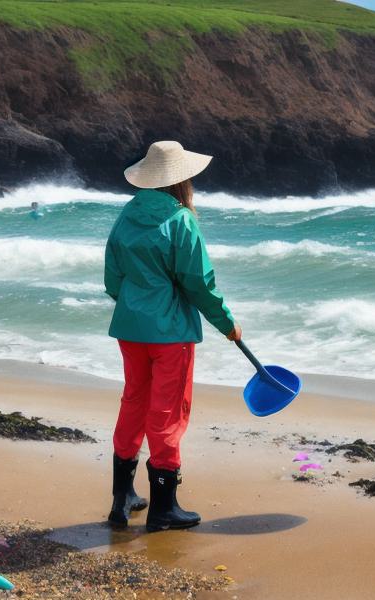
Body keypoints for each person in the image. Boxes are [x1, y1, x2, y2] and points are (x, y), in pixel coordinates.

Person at [103, 140, 241, 531]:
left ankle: (122, 497)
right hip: (170, 335)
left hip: (130, 329)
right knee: (167, 412)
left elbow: (113, 276)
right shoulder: (181, 221)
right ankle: (164, 507)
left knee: (134, 402)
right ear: (181, 179)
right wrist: (226, 323)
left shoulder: (127, 215)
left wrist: (133, 304)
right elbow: (199, 283)